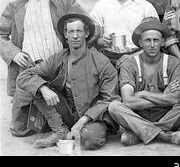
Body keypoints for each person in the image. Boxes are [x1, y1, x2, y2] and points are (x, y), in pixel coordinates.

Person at [0, 0, 98, 137]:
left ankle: (55, 121)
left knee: (68, 112)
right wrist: (13, 53)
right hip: (29, 70)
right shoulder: (15, 7)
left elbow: (90, 27)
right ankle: (40, 110)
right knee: (19, 129)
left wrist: (75, 54)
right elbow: (1, 35)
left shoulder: (65, 2)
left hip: (60, 69)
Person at [16, 12, 120, 149]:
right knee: (36, 87)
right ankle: (60, 131)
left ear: (86, 33)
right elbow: (24, 76)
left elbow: (110, 98)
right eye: (71, 31)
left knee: (90, 140)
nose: (75, 35)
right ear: (66, 35)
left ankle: (84, 131)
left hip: (94, 116)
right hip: (68, 112)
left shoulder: (101, 62)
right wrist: (44, 88)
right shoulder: (58, 59)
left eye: (79, 31)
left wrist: (83, 120)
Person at [108, 17, 180, 146]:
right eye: (148, 40)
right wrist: (164, 97)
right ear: (140, 42)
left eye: (156, 40)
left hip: (166, 115)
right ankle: (162, 134)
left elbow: (175, 100)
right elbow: (128, 101)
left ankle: (140, 133)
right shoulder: (130, 64)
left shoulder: (173, 62)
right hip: (138, 115)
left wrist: (143, 94)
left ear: (162, 42)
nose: (152, 45)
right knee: (114, 106)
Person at [90, 0, 158, 65]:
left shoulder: (146, 7)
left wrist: (132, 57)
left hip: (139, 59)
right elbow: (90, 37)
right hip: (108, 60)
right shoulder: (100, 7)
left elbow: (156, 40)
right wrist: (100, 41)